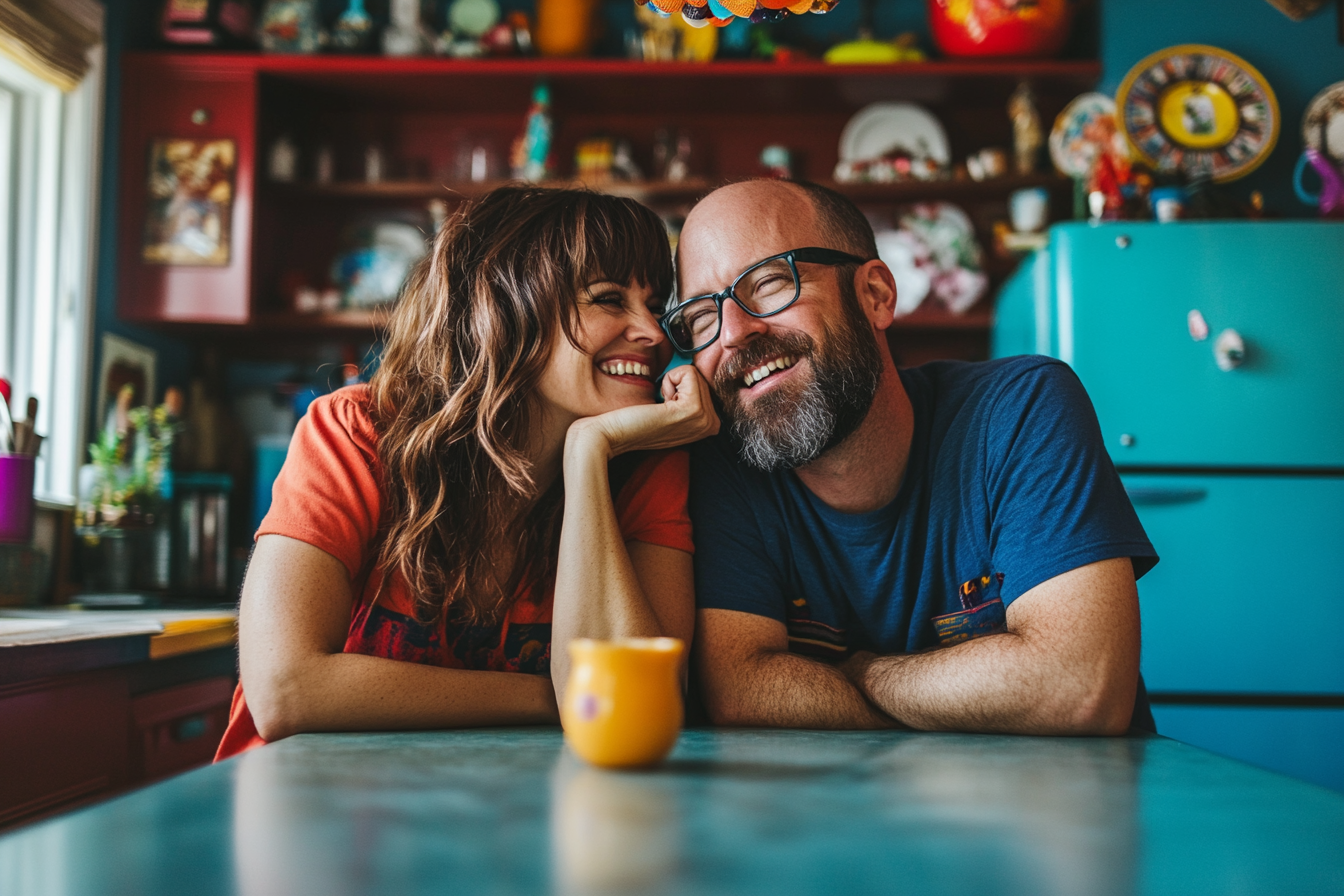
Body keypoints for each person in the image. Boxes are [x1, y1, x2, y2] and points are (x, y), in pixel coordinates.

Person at [216, 187, 718, 759]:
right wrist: (558, 692)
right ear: (503, 308)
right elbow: (286, 690)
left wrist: (588, 454)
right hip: (304, 812)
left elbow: (640, 702)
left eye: (655, 306)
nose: (653, 333)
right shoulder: (358, 432)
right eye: (609, 299)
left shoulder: (644, 460)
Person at [668, 179, 1157, 735]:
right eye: (701, 318)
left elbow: (1079, 687)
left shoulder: (1020, 407)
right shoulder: (725, 465)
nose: (732, 334)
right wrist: (983, 693)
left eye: (770, 283)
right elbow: (739, 692)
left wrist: (868, 673)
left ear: (875, 295)